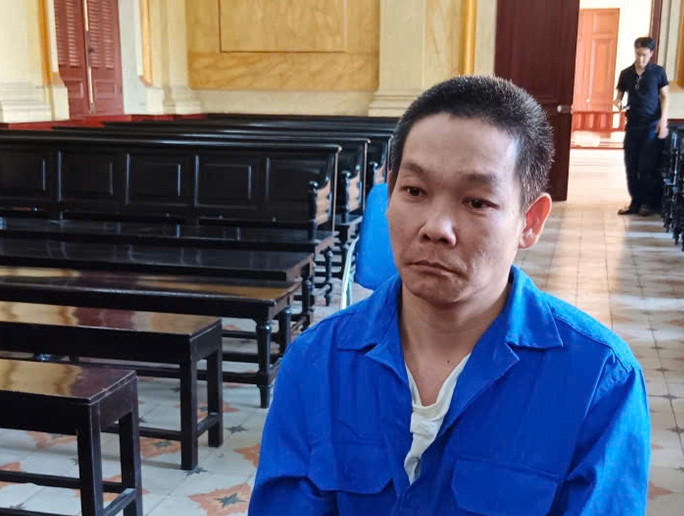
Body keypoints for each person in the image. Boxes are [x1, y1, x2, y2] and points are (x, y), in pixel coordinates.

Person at [249, 76, 650, 515]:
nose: (436, 227)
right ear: (388, 197)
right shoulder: (316, 362)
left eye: (476, 202)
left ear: (530, 222)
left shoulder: (598, 380)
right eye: (415, 191)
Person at [614, 36, 670, 217]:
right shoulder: (626, 73)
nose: (641, 58)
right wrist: (618, 103)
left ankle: (648, 203)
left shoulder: (658, 72)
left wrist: (663, 121)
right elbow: (618, 97)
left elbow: (665, 97)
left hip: (651, 124)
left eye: (644, 55)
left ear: (651, 53)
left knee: (647, 166)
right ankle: (635, 202)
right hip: (633, 124)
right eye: (638, 54)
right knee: (630, 164)